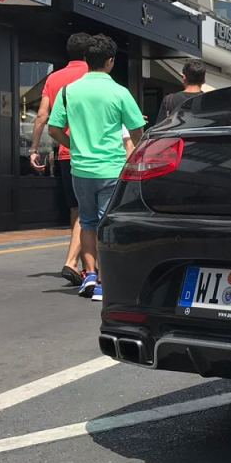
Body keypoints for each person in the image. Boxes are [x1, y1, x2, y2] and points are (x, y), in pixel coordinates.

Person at [47, 34, 145, 301]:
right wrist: (136, 155)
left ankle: (89, 275)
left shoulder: (70, 91)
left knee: (87, 221)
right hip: (112, 168)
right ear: (111, 61)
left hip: (80, 169)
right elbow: (137, 129)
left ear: (86, 60)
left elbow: (54, 129)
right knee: (106, 224)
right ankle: (103, 280)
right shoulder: (119, 92)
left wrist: (74, 144)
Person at [29, 32, 90, 285]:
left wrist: (34, 149)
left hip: (65, 152)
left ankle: (78, 262)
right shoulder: (95, 75)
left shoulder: (54, 78)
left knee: (76, 208)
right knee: (91, 210)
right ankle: (80, 263)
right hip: (92, 151)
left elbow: (42, 115)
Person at [156, 59, 205, 123]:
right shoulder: (209, 100)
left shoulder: (169, 100)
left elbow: (160, 127)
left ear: (184, 78)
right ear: (204, 80)